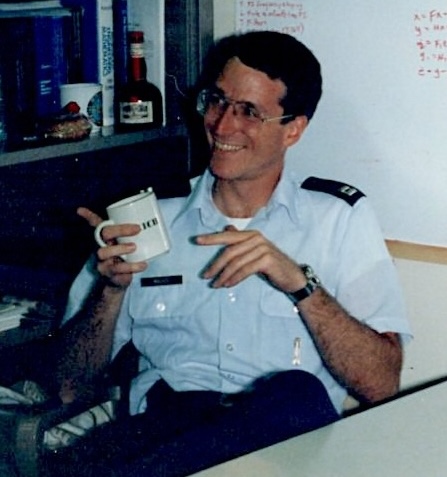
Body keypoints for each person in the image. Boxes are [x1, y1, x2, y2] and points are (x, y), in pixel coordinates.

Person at [51, 31, 412, 476]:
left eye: (249, 112)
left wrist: (301, 284)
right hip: (170, 426)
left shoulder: (337, 218)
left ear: (293, 129)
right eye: (217, 101)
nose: (222, 126)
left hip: (287, 446)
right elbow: (69, 388)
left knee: (295, 393)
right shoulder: (145, 216)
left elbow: (381, 384)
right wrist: (109, 291)